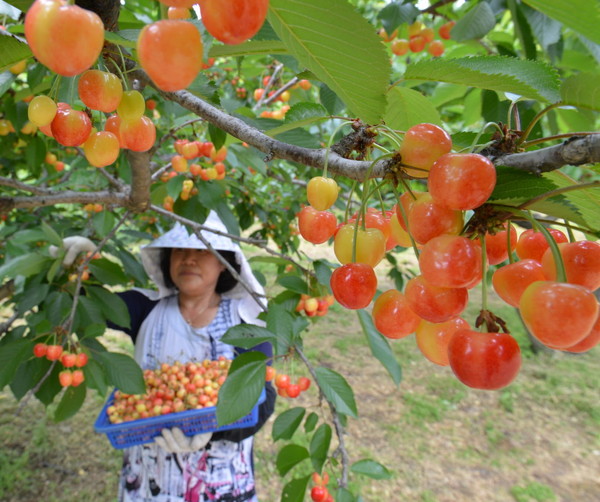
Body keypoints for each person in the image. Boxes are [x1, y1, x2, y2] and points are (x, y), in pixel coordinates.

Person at [64, 211, 276, 502]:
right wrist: (79, 266)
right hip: (148, 484)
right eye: (179, 249)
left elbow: (262, 401)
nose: (188, 258)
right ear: (168, 260)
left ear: (223, 264)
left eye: (202, 250)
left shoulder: (246, 323)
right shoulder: (144, 308)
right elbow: (80, 307)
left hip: (222, 487)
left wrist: (210, 431)